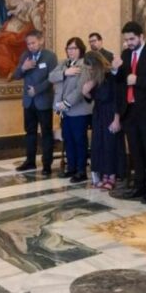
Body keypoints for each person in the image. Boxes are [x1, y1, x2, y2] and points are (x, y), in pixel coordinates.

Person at [110, 21, 146, 203]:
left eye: (132, 39)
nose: (129, 43)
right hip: (130, 111)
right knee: (135, 152)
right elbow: (120, 81)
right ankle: (139, 186)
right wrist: (115, 69)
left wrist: (138, 80)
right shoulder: (125, 54)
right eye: (126, 40)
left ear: (141, 37)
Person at [12, 29, 57, 176]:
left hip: (43, 101)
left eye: (33, 43)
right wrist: (23, 68)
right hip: (28, 103)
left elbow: (52, 78)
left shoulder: (50, 56)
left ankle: (46, 164)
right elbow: (16, 75)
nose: (30, 46)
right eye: (28, 44)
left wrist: (37, 90)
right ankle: (30, 162)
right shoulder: (25, 55)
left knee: (46, 134)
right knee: (30, 133)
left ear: (41, 41)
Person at [49, 37, 92, 183]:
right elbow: (51, 77)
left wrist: (66, 103)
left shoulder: (85, 65)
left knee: (79, 140)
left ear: (80, 49)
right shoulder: (63, 63)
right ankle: (71, 168)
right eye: (69, 48)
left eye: (74, 48)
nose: (71, 51)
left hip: (78, 110)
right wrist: (64, 73)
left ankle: (81, 171)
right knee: (68, 140)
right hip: (64, 110)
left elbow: (80, 89)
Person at [81, 51, 122, 190]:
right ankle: (104, 173)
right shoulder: (95, 78)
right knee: (99, 145)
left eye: (91, 67)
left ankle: (111, 176)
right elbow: (90, 97)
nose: (90, 70)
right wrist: (86, 91)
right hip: (98, 114)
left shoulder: (111, 76)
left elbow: (117, 98)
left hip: (111, 113)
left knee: (111, 145)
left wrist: (117, 119)